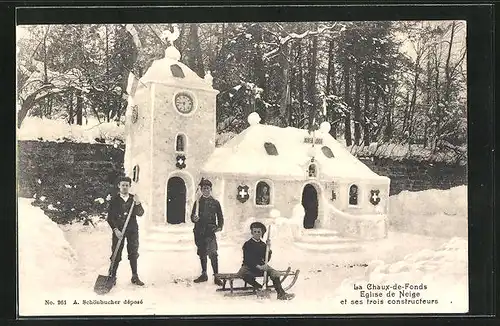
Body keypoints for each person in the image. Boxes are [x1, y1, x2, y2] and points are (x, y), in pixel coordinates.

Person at [237, 222, 295, 300]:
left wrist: (268, 248)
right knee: (243, 273)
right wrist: (258, 266)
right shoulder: (247, 244)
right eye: (255, 232)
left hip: (261, 266)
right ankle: (259, 288)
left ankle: (281, 293)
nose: (257, 234)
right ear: (251, 232)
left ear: (261, 233)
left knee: (274, 273)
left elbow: (266, 259)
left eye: (259, 232)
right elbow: (248, 259)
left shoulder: (263, 245)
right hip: (249, 266)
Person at [106, 176, 145, 286]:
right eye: (122, 185)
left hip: (132, 230)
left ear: (129, 186)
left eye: (127, 185)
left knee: (133, 253)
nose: (124, 187)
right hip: (118, 231)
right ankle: (112, 276)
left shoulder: (133, 199)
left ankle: (135, 276)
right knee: (116, 253)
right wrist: (115, 230)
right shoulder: (114, 200)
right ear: (119, 186)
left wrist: (138, 203)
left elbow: (140, 213)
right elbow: (110, 218)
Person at [191, 178, 224, 285]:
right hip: (199, 232)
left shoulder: (215, 203)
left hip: (210, 232)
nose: (206, 190)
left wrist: (220, 226)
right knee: (202, 253)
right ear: (201, 189)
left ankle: (216, 276)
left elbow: (220, 216)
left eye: (208, 188)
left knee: (213, 253)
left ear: (211, 189)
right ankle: (204, 274)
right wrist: (193, 218)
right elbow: (192, 216)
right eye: (204, 188)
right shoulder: (197, 202)